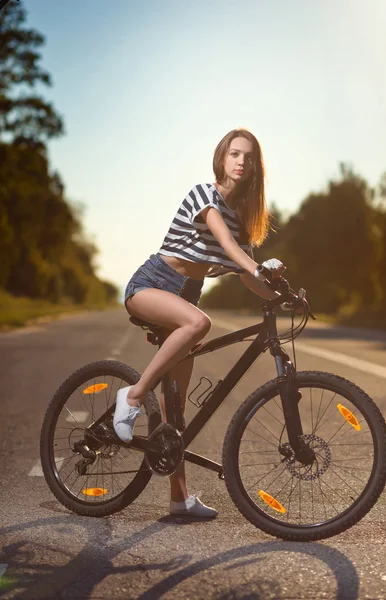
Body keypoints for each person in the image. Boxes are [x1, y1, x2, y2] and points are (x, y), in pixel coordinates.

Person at [113, 128, 286, 518]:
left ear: (256, 167)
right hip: (153, 284)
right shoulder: (203, 195)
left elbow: (246, 275)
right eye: (234, 154)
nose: (241, 162)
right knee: (199, 324)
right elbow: (226, 246)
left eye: (249, 157)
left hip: (185, 296)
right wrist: (258, 265)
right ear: (221, 159)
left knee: (176, 412)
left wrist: (280, 297)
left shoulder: (242, 220)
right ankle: (133, 395)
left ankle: (179, 499)